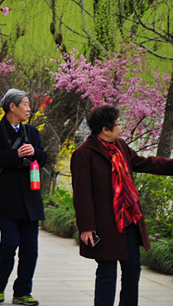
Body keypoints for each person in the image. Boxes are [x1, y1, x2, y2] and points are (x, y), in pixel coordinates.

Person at [71, 105, 173, 306]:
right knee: (107, 273)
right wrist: (87, 227)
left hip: (128, 221)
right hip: (105, 225)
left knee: (133, 270)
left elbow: (145, 163)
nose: (121, 128)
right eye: (118, 124)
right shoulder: (84, 154)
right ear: (105, 129)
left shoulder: (120, 146)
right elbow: (82, 194)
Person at [0, 88, 47, 305]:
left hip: (31, 198)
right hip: (7, 199)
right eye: (25, 104)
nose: (29, 108)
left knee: (30, 249)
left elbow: (44, 158)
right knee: (10, 243)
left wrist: (34, 152)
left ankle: (22, 291)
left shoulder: (32, 132)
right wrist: (15, 154)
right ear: (12, 107)